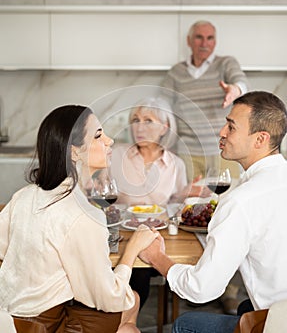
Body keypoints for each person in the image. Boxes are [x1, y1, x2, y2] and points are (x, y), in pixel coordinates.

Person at [0, 105, 159, 333]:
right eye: (98, 136)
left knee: (131, 299)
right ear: (74, 151)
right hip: (47, 326)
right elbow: (110, 298)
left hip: (9, 319)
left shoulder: (23, 196)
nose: (110, 140)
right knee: (129, 322)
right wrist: (131, 250)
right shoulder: (84, 215)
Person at [139, 91, 287, 333]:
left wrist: (157, 257)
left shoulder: (241, 201)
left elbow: (201, 289)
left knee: (186, 324)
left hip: (279, 323)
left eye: (231, 127)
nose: (221, 132)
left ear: (260, 139)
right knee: (245, 307)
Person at [110, 97, 210, 309]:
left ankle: (127, 315)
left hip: (158, 238)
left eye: (148, 121)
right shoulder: (116, 156)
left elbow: (174, 207)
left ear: (165, 127)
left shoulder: (176, 164)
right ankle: (123, 316)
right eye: (135, 120)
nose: (139, 126)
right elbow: (103, 196)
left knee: (141, 271)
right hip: (121, 237)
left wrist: (185, 194)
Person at [162, 20, 249, 181]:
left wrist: (235, 90)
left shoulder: (225, 64)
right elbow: (162, 108)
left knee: (227, 199)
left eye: (210, 38)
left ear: (215, 42)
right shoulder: (176, 72)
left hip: (223, 152)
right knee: (193, 203)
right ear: (189, 41)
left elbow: (241, 82)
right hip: (188, 154)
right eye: (199, 37)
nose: (204, 43)